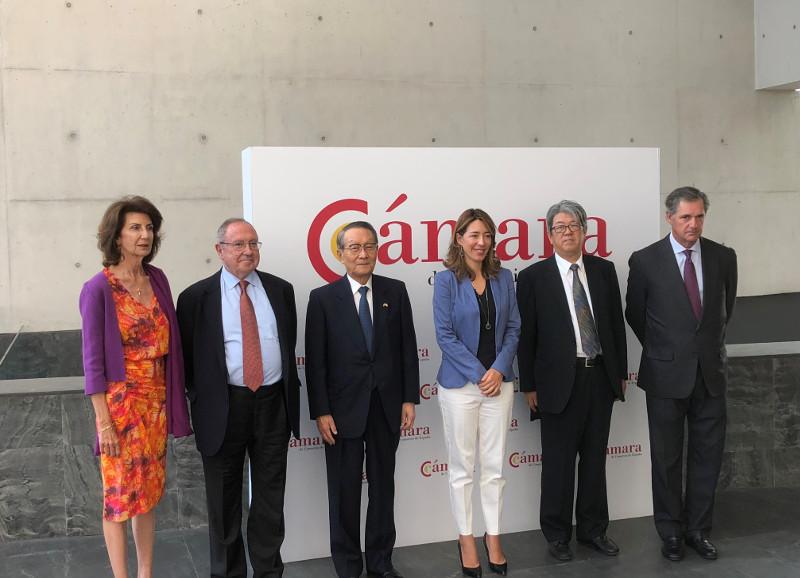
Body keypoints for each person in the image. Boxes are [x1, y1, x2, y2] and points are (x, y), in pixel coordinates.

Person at [176, 218, 301, 578]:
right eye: (238, 245)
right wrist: (202, 398)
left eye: (253, 243)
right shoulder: (195, 298)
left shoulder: (281, 290)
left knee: (269, 497)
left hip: (273, 404)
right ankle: (228, 573)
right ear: (220, 251)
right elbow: (186, 358)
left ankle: (267, 571)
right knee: (223, 499)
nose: (248, 251)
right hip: (223, 408)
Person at [79, 196, 192, 578]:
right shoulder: (98, 288)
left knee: (148, 493)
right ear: (117, 235)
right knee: (119, 495)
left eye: (149, 227)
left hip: (157, 401)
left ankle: (146, 573)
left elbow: (170, 342)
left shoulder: (157, 278)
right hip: (120, 405)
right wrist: (104, 422)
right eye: (135, 228)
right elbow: (92, 361)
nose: (145, 235)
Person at [626, 186, 737, 562]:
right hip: (664, 375)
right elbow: (636, 315)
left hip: (710, 373)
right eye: (686, 217)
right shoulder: (645, 261)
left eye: (699, 216)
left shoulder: (723, 257)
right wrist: (665, 351)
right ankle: (671, 531)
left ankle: (698, 530)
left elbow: (725, 310)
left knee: (708, 456)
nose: (694, 224)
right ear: (669, 217)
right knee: (667, 458)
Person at [305, 221, 419, 578]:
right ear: (340, 254)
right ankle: (349, 566)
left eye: (369, 246)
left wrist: (408, 398)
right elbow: (316, 360)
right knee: (344, 491)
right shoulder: (322, 298)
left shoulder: (395, 291)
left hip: (386, 407)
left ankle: (381, 562)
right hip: (341, 411)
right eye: (354, 247)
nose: (363, 253)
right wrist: (321, 410)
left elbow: (407, 350)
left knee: (384, 487)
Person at [516, 200, 627, 562]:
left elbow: (614, 327)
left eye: (574, 226)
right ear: (549, 235)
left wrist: (620, 373)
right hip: (556, 384)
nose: (568, 232)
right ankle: (558, 534)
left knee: (595, 460)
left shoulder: (604, 270)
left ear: (584, 231)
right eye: (560, 227)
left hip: (600, 377)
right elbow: (526, 336)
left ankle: (594, 530)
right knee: (559, 463)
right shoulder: (533, 277)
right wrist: (529, 385)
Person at [432, 208, 520, 578]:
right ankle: (466, 538)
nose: (481, 242)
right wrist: (480, 373)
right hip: (459, 386)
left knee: (495, 467)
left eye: (486, 236)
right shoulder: (446, 281)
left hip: (499, 385)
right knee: (462, 469)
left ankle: (493, 536)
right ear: (459, 238)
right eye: (474, 235)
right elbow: (444, 335)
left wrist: (498, 369)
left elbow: (514, 327)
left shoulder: (504, 278)